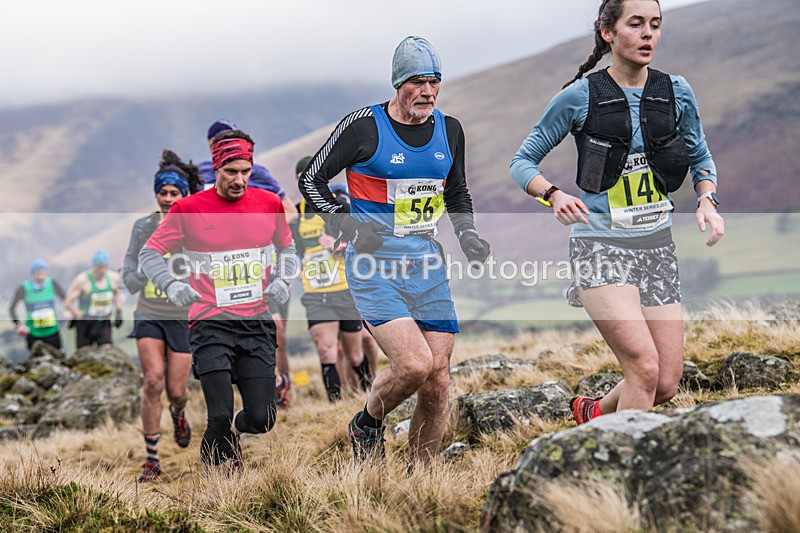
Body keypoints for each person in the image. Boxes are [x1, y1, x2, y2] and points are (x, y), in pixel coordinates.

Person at [510, 0, 724, 424]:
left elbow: (700, 157)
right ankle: (619, 479)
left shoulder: (674, 91)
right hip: (600, 247)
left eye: (655, 25)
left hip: (657, 249)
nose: (648, 34)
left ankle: (591, 413)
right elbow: (522, 163)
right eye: (636, 24)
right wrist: (552, 194)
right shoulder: (580, 96)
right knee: (643, 368)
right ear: (608, 33)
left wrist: (706, 199)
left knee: (663, 383)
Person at [299, 36, 491, 466]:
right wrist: (347, 224)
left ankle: (421, 477)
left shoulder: (450, 130)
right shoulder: (363, 126)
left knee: (438, 379)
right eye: (417, 82)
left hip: (427, 267)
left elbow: (456, 190)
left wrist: (468, 235)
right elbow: (311, 180)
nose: (427, 91)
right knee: (414, 365)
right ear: (397, 84)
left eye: (434, 82)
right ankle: (367, 423)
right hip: (374, 268)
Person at [139, 129, 297, 473]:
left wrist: (285, 279)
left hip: (255, 321)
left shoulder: (268, 204)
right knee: (220, 412)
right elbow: (149, 254)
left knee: (263, 417)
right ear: (217, 168)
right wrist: (171, 284)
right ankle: (217, 484)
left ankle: (234, 436)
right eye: (231, 171)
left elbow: (287, 248)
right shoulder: (188, 208)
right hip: (210, 323)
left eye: (245, 170)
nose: (239, 179)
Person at [203, 120, 296, 409]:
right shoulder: (202, 174)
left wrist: (261, 231)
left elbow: (290, 212)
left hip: (262, 268)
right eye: (217, 141)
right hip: (218, 275)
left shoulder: (260, 175)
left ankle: (280, 382)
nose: (239, 178)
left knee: (276, 328)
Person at [123, 150, 202, 482]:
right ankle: (152, 460)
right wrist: (135, 278)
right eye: (163, 192)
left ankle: (179, 413)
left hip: (182, 316)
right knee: (152, 381)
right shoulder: (142, 226)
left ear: (184, 194)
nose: (168, 198)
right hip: (149, 312)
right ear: (156, 193)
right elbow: (129, 264)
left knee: (177, 391)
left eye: (174, 193)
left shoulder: (193, 224)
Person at [291, 160, 372, 402]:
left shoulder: (339, 205)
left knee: (355, 356)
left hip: (345, 290)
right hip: (316, 293)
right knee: (326, 351)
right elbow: (290, 249)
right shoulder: (296, 213)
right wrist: (294, 268)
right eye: (299, 177)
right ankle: (334, 405)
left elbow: (365, 242)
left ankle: (371, 397)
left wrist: (340, 245)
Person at [64, 249, 124, 349]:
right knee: (84, 353)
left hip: (103, 321)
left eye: (104, 267)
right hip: (85, 323)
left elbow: (117, 293)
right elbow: (68, 301)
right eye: (99, 267)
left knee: (107, 351)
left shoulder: (113, 278)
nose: (102, 271)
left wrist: (118, 312)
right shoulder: (82, 280)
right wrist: (78, 313)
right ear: (94, 266)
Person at [8, 259, 66, 353]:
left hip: (53, 332)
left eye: (43, 270)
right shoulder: (24, 288)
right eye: (37, 271)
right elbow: (11, 309)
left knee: (58, 359)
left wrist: (68, 312)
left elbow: (67, 300)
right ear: (33, 273)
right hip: (33, 334)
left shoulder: (52, 284)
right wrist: (18, 325)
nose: (40, 273)